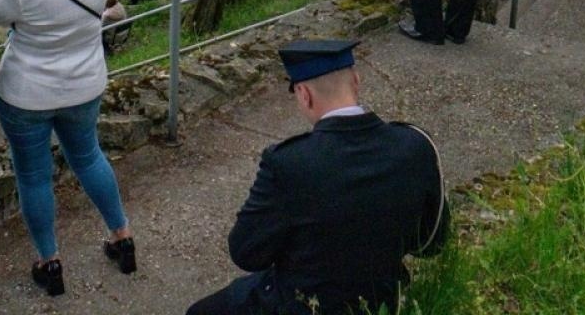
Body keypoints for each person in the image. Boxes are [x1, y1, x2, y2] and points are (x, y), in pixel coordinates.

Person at [186, 39, 447, 315]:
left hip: (304, 305)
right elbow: (432, 242)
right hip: (384, 299)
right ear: (356, 81)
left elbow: (246, 252)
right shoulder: (416, 145)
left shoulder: (289, 162)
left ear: (304, 94)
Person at [0, 0, 135, 298]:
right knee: (88, 156)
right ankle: (122, 236)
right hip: (84, 84)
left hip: (26, 94)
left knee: (34, 176)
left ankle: (49, 262)